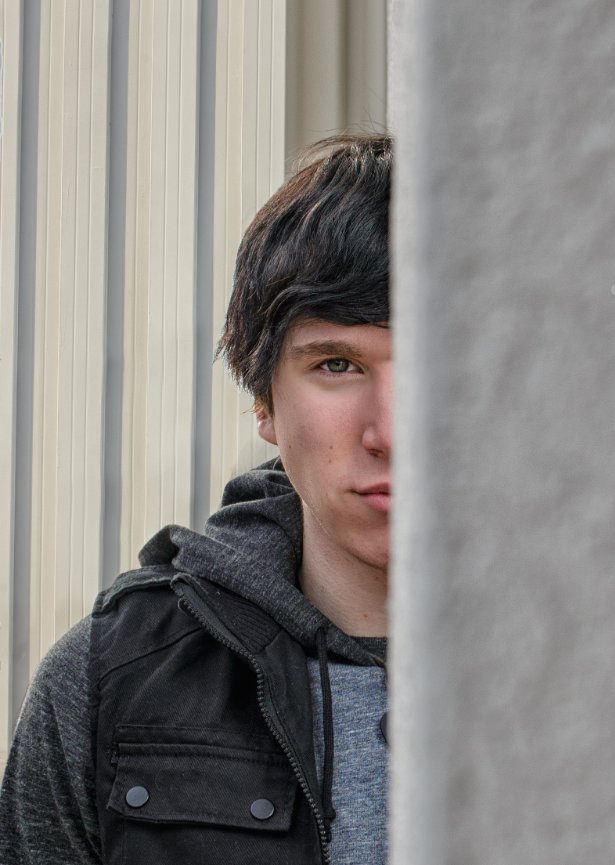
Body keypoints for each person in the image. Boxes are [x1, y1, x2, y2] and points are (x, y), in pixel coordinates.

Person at [0, 133, 393, 865]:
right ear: (264, 400)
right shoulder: (112, 680)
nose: (390, 431)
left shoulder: (613, 661)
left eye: (439, 361)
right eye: (337, 364)